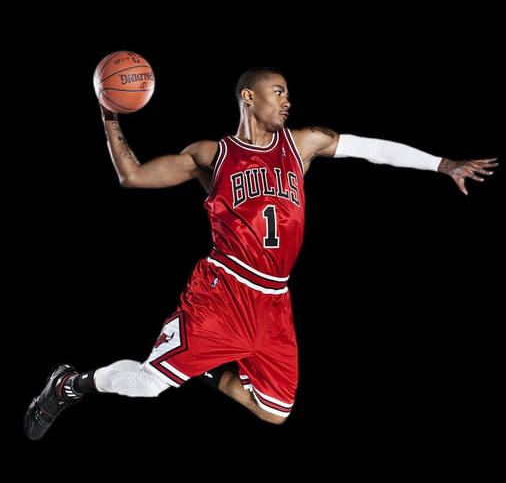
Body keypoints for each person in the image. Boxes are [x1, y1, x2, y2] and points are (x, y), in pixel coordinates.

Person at [24, 66, 498, 439]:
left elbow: (370, 148)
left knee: (275, 411)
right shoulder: (212, 155)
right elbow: (133, 176)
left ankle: (203, 369)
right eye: (279, 91)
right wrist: (109, 114)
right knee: (150, 384)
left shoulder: (302, 144)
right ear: (248, 96)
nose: (287, 100)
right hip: (224, 290)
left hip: (274, 301)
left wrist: (442, 164)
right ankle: (70, 384)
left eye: (288, 93)